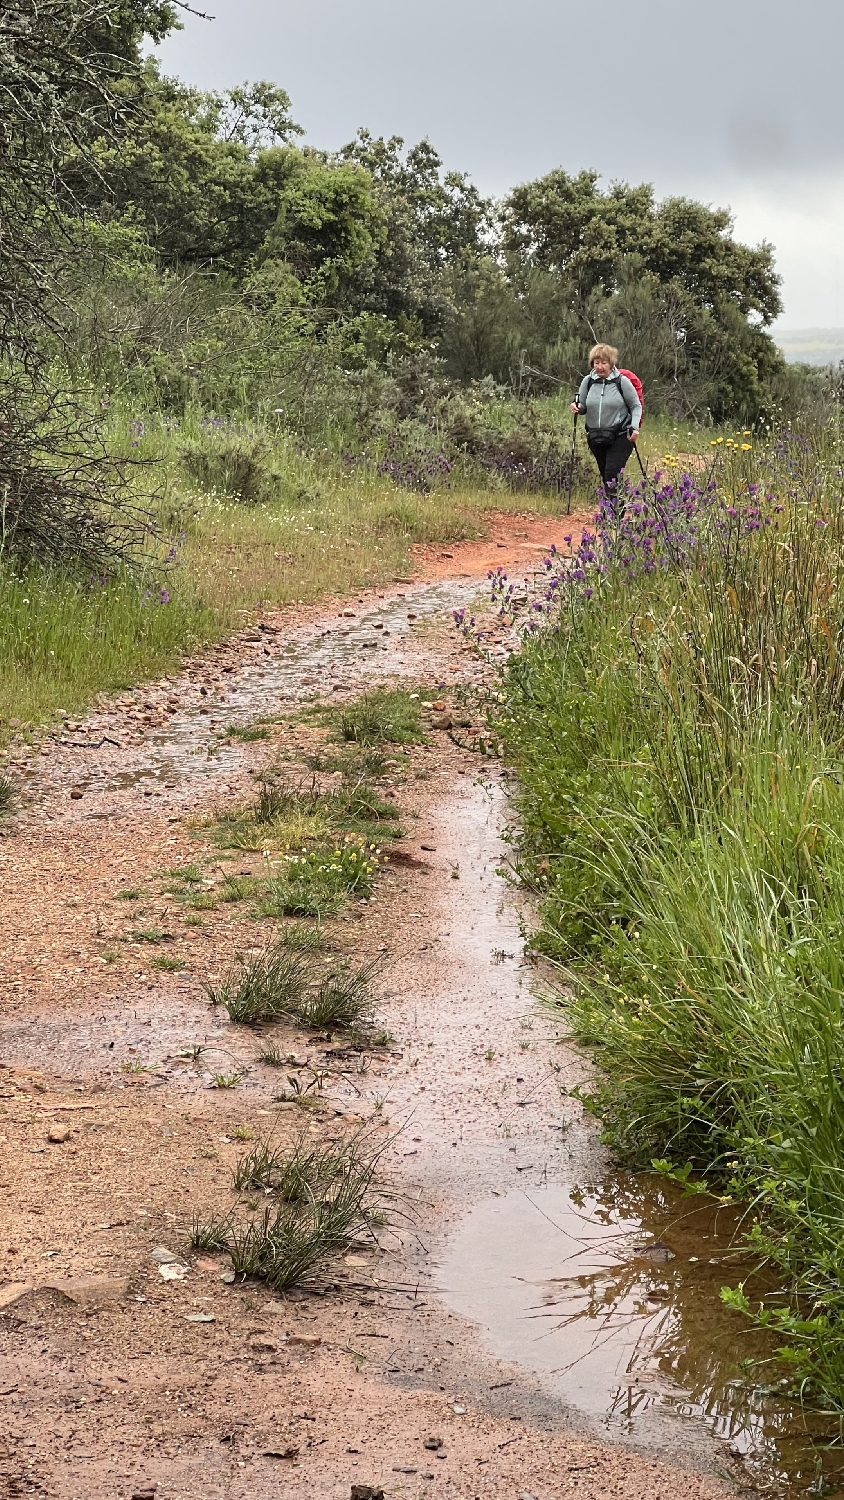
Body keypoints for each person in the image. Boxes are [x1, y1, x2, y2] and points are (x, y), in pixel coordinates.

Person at [570, 344, 641, 495]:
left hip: (621, 435)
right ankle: (614, 511)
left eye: (604, 362)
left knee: (611, 474)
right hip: (596, 436)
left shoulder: (622, 382)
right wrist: (577, 407)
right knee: (606, 475)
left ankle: (611, 515)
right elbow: (582, 406)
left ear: (611, 363)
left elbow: (636, 405)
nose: (600, 367)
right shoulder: (588, 381)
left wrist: (634, 427)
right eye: (596, 363)